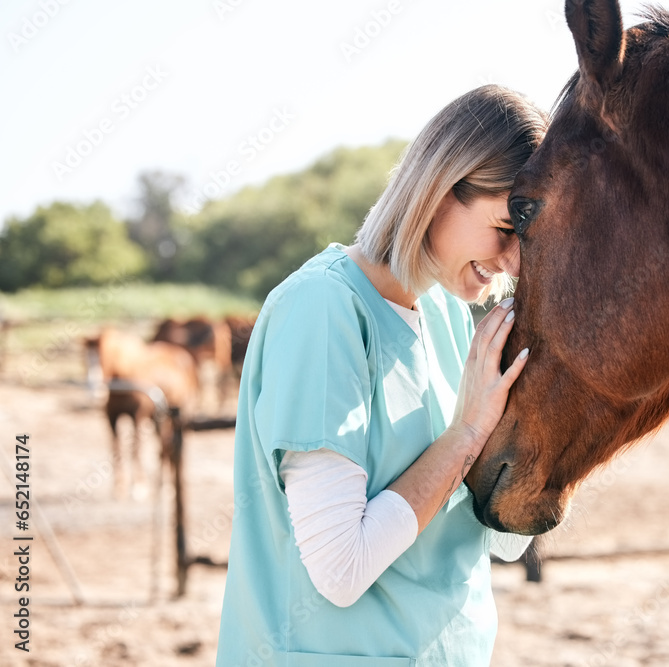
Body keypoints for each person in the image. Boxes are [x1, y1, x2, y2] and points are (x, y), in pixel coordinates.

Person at [216, 84, 548, 666]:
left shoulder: (447, 315)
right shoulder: (323, 311)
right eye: (504, 228)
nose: (514, 261)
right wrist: (466, 435)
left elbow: (500, 541)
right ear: (442, 189)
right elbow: (341, 568)